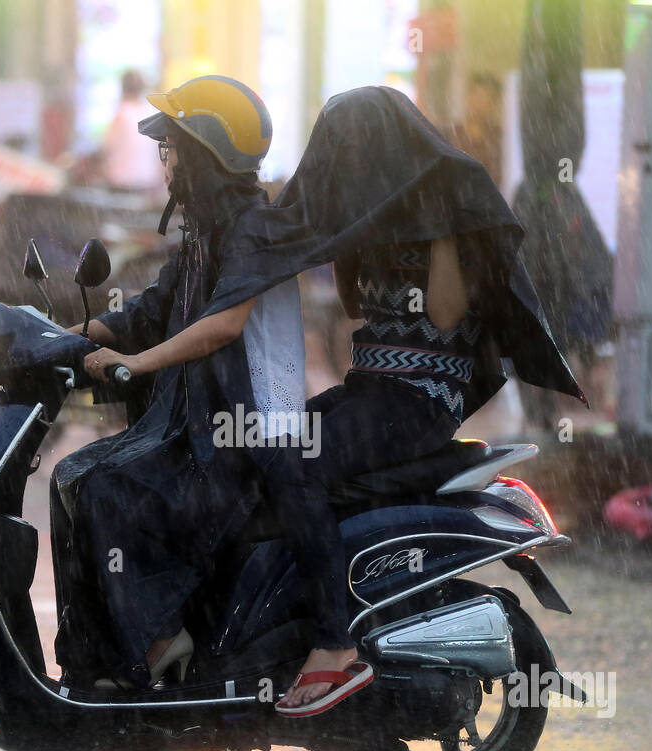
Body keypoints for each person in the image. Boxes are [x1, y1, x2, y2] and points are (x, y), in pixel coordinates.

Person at [200, 86, 586, 714]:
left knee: (298, 465)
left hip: (418, 400)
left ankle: (333, 646)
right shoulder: (374, 209)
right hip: (370, 388)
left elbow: (443, 311)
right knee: (254, 445)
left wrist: (436, 219)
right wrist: (346, 227)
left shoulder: (447, 203)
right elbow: (355, 307)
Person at [49, 75, 306, 691]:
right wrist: (70, 334)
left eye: (173, 149)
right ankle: (96, 665)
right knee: (70, 478)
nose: (165, 163)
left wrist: (138, 365)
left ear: (205, 155)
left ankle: (160, 639)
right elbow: (151, 307)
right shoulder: (205, 230)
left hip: (240, 438)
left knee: (107, 490)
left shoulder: (252, 229)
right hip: (193, 424)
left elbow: (224, 324)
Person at [100, 69, 165, 193]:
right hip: (149, 183)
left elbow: (107, 148)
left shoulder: (121, 113)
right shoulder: (150, 113)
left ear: (122, 88)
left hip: (123, 184)